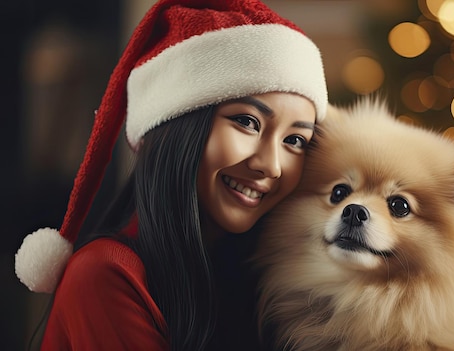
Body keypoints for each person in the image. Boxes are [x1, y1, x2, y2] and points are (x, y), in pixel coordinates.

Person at [14, 0, 327, 350]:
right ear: (177, 125)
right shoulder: (106, 274)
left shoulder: (253, 281)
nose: (271, 165)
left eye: (295, 140)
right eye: (246, 122)